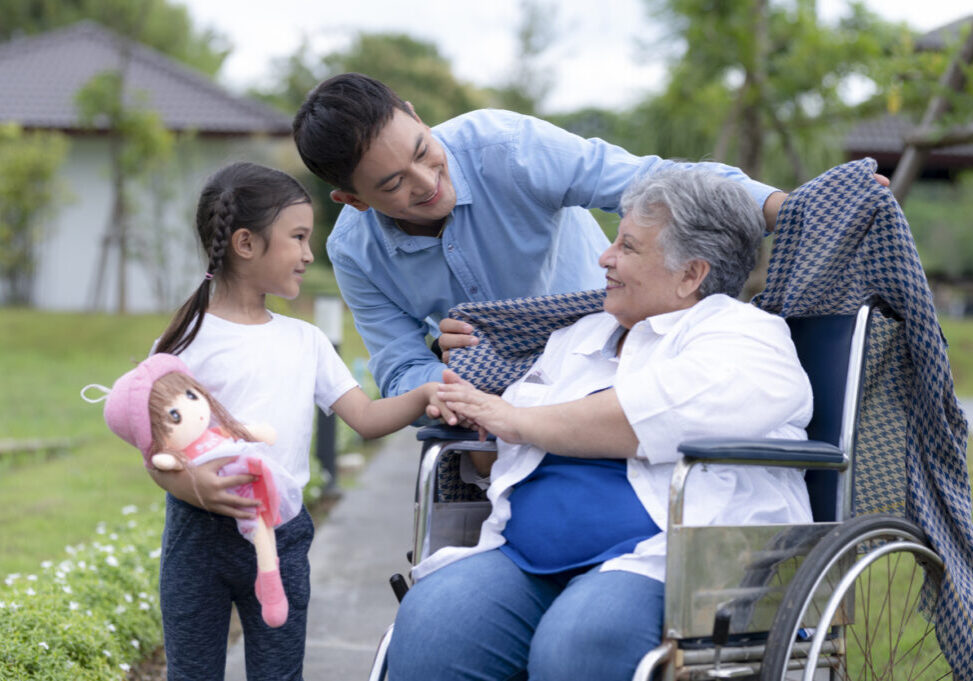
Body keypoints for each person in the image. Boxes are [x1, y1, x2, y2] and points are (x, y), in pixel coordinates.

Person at [385, 167, 816, 681]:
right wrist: (477, 420)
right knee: (431, 623)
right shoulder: (582, 335)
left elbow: (649, 413)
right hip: (525, 554)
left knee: (580, 645)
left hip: (665, 561)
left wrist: (516, 419)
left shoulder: (745, 335)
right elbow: (503, 443)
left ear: (690, 275)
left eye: (628, 247)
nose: (604, 258)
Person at [140, 161, 452, 681]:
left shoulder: (304, 340)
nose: (310, 253)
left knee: (279, 674)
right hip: (197, 538)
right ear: (245, 243)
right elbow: (155, 451)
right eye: (299, 237)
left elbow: (367, 418)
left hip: (281, 536)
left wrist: (425, 393)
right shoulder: (185, 342)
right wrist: (193, 485)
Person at [292, 72, 788, 399]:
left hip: (617, 354)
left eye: (422, 151)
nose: (427, 183)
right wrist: (451, 372)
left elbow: (658, 183)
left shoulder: (507, 148)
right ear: (353, 200)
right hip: (499, 404)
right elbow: (400, 372)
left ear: (417, 116)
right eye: (393, 184)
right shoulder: (355, 252)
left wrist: (793, 211)